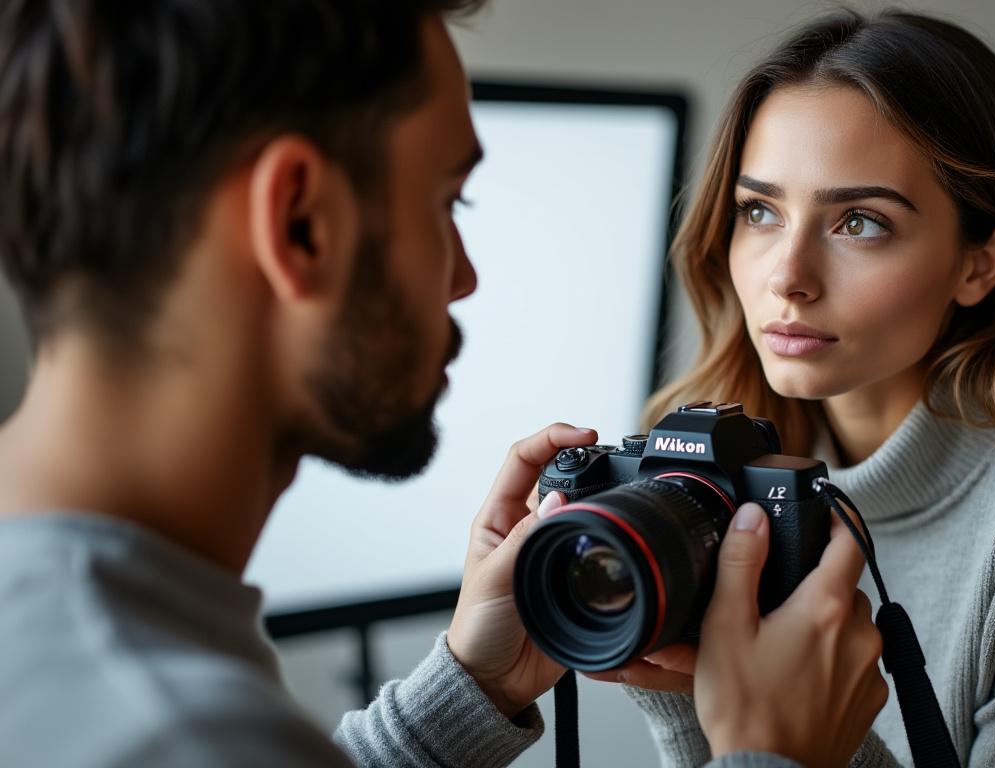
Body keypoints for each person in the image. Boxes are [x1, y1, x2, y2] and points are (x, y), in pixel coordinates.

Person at [0, 2, 888, 767]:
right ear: (299, 222)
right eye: (447, 203)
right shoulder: (173, 730)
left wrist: (472, 685)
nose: (463, 277)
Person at [590, 9, 995, 767]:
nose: (788, 277)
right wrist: (684, 680)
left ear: (980, 262)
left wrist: (803, 745)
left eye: (860, 223)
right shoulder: (711, 477)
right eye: (761, 211)